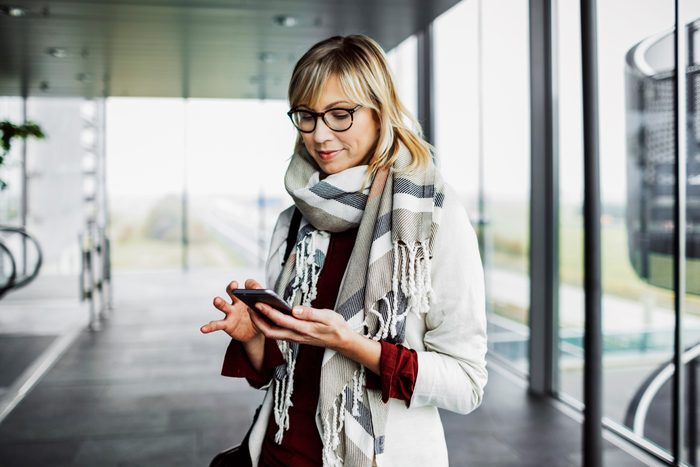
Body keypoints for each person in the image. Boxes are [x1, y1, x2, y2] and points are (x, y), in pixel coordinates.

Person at [201, 34, 487, 467]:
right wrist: (257, 339)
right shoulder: (294, 218)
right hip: (279, 456)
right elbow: (278, 376)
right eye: (307, 116)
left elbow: (466, 383)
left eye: (339, 115)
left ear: (379, 111)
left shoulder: (431, 218)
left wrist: (352, 345)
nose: (319, 135)